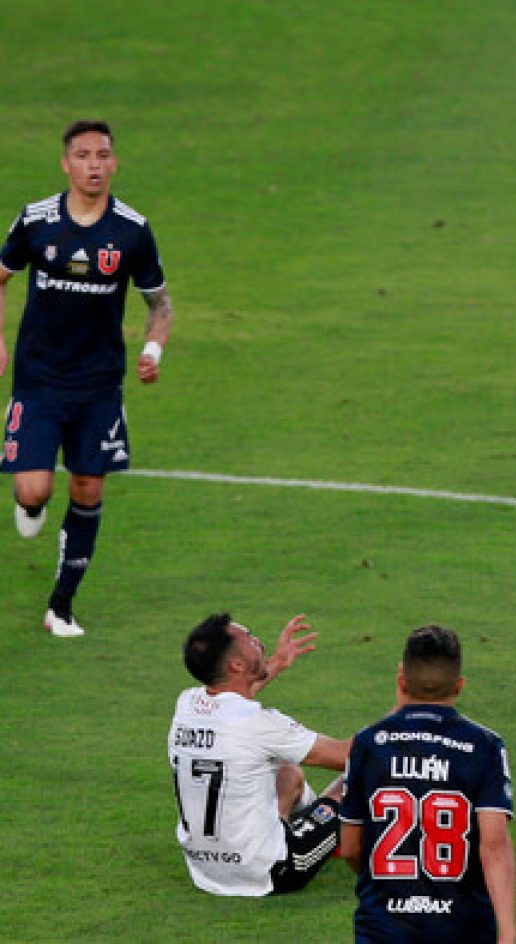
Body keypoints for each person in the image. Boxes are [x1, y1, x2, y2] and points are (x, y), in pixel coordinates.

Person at [0, 120, 173, 637]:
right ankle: (32, 501)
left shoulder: (132, 231)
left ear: (114, 163)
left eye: (102, 155)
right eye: (83, 155)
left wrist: (152, 350)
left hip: (99, 384)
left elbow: (159, 302)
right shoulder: (36, 222)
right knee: (33, 489)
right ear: (66, 164)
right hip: (38, 379)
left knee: (89, 485)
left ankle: (61, 605)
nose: (94, 164)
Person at [337, 625, 515, 943]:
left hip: (382, 928)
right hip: (463, 928)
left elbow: (350, 846)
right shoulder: (484, 745)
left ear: (402, 681)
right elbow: (495, 847)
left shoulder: (367, 743)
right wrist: (508, 934)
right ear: (459, 685)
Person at [168, 612, 352, 896]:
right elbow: (346, 755)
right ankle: (347, 836)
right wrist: (407, 714)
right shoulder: (260, 724)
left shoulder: (187, 704)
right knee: (359, 772)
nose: (260, 644)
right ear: (237, 664)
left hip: (205, 871)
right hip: (273, 871)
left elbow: (233, 698)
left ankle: (304, 827)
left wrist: (277, 662)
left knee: (288, 773)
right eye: (251, 640)